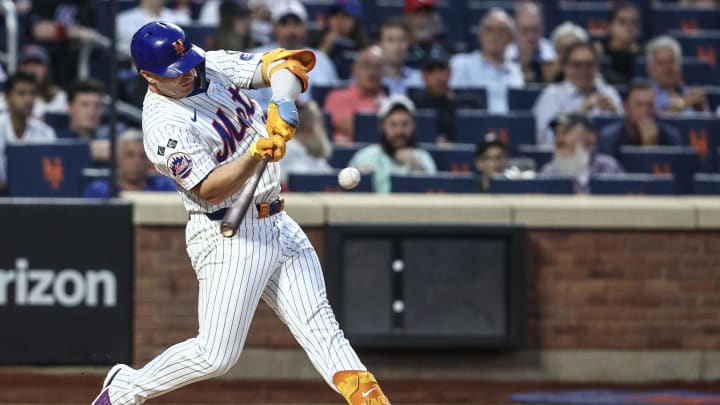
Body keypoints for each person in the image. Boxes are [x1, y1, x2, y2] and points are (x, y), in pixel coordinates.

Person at [90, 21, 391, 405]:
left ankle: (369, 399)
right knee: (216, 356)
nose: (187, 75)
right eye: (174, 72)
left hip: (277, 221)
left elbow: (284, 65)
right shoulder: (163, 125)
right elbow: (209, 187)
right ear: (148, 76)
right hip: (228, 235)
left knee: (321, 326)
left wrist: (281, 102)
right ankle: (124, 390)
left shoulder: (208, 65)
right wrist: (256, 153)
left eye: (187, 64)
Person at [246, 0, 340, 111]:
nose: (291, 30)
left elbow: (334, 101)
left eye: (296, 24)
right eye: (285, 24)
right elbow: (248, 104)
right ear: (274, 28)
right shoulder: (257, 58)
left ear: (305, 27)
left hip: (313, 123)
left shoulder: (322, 61)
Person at [533, 41, 623, 145]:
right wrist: (581, 112)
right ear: (565, 67)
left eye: (589, 65)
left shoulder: (609, 93)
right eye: (577, 65)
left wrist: (615, 114)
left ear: (597, 67)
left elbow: (623, 135)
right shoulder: (552, 95)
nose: (583, 70)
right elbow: (545, 137)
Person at [349, 95, 437, 193]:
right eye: (393, 124)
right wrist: (359, 178)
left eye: (405, 124)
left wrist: (417, 168)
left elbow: (434, 197)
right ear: (381, 126)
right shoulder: (365, 156)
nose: (399, 131)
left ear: (413, 126)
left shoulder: (423, 157)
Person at [449, 8, 524, 114]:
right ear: (480, 35)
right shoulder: (461, 64)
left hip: (510, 127)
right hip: (473, 127)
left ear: (510, 38)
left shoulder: (517, 71)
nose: (495, 35)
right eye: (489, 29)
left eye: (501, 30)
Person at [410, 47, 483, 143]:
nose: (437, 77)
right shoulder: (415, 105)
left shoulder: (469, 104)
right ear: (423, 76)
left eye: (441, 70)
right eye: (431, 71)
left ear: (450, 72)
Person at [598, 80, 682, 160]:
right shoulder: (609, 138)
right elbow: (610, 171)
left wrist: (652, 147)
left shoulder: (671, 137)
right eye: (639, 105)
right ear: (626, 107)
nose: (645, 111)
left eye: (650, 105)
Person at [541, 112, 623, 193]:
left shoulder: (608, 168)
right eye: (557, 133)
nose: (559, 139)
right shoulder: (549, 173)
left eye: (566, 132)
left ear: (589, 136)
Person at [0, 72, 56, 192]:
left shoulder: (46, 132)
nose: (28, 99)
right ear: (7, 98)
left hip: (35, 199)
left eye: (32, 93)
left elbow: (49, 177)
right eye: (21, 93)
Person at [83, 128, 176, 198]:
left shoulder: (165, 188)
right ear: (118, 158)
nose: (137, 161)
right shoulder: (99, 191)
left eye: (142, 156)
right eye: (130, 155)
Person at [324, 45, 387, 142]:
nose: (373, 72)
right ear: (355, 69)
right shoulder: (339, 96)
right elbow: (351, 127)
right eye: (367, 66)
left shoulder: (388, 101)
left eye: (378, 67)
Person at [29, 0, 98, 86]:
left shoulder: (88, 4)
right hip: (50, 59)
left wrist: (57, 31)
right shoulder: (45, 2)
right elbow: (40, 30)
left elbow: (93, 35)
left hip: (78, 63)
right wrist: (71, 32)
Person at [57, 79, 126, 164]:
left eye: (97, 105)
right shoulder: (55, 138)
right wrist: (88, 150)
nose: (92, 111)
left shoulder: (112, 134)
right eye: (85, 105)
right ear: (70, 107)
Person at [646, 35, 709, 115]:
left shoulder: (690, 93)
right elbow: (656, 119)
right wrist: (684, 102)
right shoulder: (646, 95)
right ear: (650, 68)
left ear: (679, 65)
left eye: (671, 61)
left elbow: (707, 125)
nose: (667, 68)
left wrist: (701, 108)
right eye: (660, 63)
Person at [279, 99, 334, 185]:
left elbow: (329, 177)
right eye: (317, 121)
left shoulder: (311, 148)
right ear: (309, 126)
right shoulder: (284, 149)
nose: (321, 125)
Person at [312, 0, 367, 80]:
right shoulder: (316, 43)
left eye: (345, 16)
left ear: (355, 21)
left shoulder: (363, 49)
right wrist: (324, 49)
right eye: (335, 15)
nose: (339, 21)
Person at [505, 1, 556, 83]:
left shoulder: (554, 54)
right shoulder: (504, 55)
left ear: (542, 29)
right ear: (515, 30)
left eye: (535, 29)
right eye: (525, 30)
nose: (531, 36)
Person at [116, 0, 191, 56]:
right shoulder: (124, 19)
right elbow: (125, 50)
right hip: (143, 71)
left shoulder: (181, 17)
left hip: (181, 68)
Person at [595, 2, 642, 85]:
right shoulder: (598, 51)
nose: (629, 27)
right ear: (610, 26)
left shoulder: (643, 53)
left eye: (633, 22)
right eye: (622, 22)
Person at [16, 44, 68, 117]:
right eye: (27, 64)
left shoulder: (59, 97)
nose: (32, 69)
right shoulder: (6, 98)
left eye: (38, 63)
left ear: (46, 69)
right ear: (19, 69)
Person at [378, 18, 424, 96]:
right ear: (380, 44)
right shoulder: (369, 78)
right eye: (391, 40)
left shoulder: (419, 80)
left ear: (408, 43)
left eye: (402, 39)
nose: (397, 46)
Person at [403, 0, 450, 69]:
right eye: (418, 15)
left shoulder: (446, 52)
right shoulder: (399, 52)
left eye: (427, 15)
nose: (423, 21)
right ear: (407, 18)